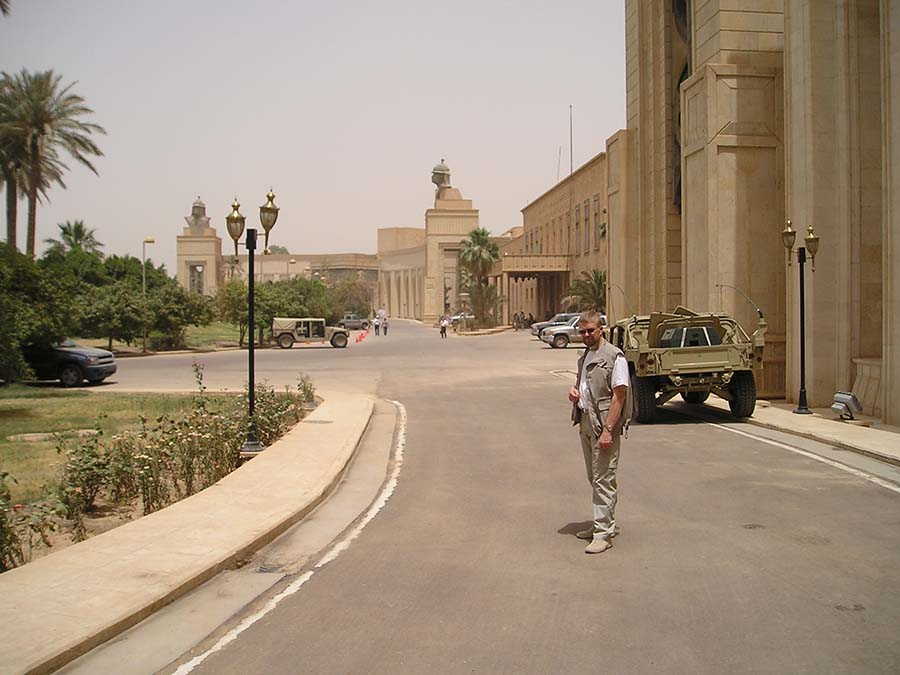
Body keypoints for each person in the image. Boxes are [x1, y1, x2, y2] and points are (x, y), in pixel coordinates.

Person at [567, 310, 630, 554]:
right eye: (582, 331)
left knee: (603, 479)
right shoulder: (585, 356)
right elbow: (586, 388)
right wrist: (575, 394)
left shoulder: (615, 357)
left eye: (590, 330)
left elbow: (619, 395)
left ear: (600, 329)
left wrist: (608, 430)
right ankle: (603, 524)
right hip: (585, 422)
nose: (586, 335)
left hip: (604, 426)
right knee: (595, 477)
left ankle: (603, 533)